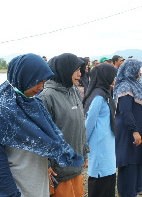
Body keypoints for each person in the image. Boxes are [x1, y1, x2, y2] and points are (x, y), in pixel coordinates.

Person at [0, 54, 84, 197]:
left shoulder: (34, 104)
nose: (40, 87)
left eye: (43, 81)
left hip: (33, 185)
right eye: (37, 81)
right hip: (8, 189)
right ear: (23, 77)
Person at [39, 53, 89, 197]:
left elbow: (80, 124)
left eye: (81, 69)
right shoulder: (47, 96)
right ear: (64, 70)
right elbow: (43, 135)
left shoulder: (73, 91)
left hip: (75, 165)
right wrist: (46, 165)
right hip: (58, 170)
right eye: (76, 70)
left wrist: (84, 151)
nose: (80, 74)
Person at [113, 59, 142, 197]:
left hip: (137, 129)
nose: (140, 71)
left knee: (137, 158)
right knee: (129, 160)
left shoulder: (135, 84)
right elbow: (125, 111)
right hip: (129, 131)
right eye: (138, 68)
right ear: (131, 69)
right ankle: (127, 191)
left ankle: (136, 187)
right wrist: (134, 130)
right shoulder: (125, 86)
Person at [83, 64, 117, 197]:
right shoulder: (98, 96)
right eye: (112, 75)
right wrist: (83, 145)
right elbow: (89, 123)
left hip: (106, 143)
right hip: (99, 145)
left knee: (108, 177)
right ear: (104, 76)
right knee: (99, 180)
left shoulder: (105, 93)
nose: (114, 78)